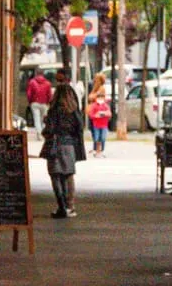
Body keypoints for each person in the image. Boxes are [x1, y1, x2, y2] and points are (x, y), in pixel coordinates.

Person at [41, 75, 85, 216]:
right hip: (69, 146)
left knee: (55, 175)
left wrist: (46, 127)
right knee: (68, 175)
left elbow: (49, 130)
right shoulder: (74, 112)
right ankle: (69, 206)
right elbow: (79, 129)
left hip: (55, 145)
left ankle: (61, 206)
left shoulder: (54, 111)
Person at [26, 66, 53, 135]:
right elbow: (49, 95)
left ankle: (39, 133)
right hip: (44, 104)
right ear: (43, 73)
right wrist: (48, 102)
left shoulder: (32, 82)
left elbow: (29, 94)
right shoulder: (48, 83)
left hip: (34, 103)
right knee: (43, 119)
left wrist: (30, 102)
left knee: (36, 119)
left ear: (36, 73)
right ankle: (44, 133)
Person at [87, 78, 110, 155]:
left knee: (99, 135)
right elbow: (90, 97)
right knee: (94, 132)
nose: (94, 82)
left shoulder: (101, 89)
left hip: (100, 118)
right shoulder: (95, 88)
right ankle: (96, 148)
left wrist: (94, 95)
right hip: (94, 115)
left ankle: (99, 149)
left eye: (96, 80)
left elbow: (92, 97)